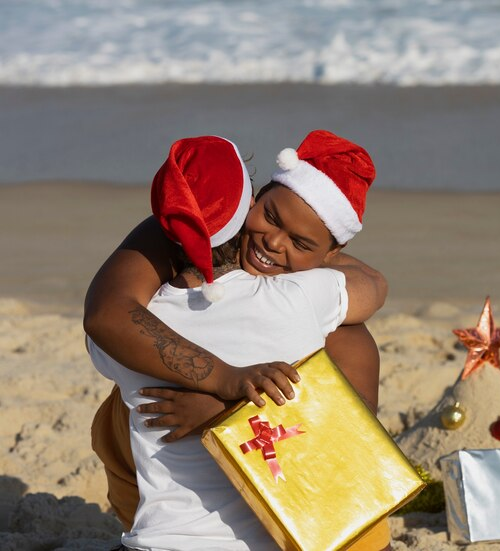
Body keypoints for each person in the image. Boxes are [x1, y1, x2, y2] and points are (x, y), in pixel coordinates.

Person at [86, 132, 391, 550]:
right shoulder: (308, 297)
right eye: (270, 216)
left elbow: (351, 446)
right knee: (119, 412)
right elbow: (374, 284)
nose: (273, 242)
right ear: (252, 200)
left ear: (331, 255)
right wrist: (225, 381)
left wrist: (227, 412)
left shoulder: (154, 308)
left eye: (300, 244)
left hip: (227, 516)